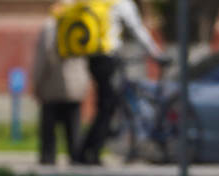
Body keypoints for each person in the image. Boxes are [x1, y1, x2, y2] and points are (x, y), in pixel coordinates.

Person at [70, 0, 165, 165]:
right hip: (108, 57)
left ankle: (85, 151)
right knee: (107, 107)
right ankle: (91, 152)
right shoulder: (120, 3)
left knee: (105, 106)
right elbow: (137, 29)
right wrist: (155, 52)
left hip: (93, 57)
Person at [32, 16, 89, 165]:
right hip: (76, 83)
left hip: (52, 83)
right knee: (73, 124)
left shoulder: (50, 26)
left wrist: (36, 82)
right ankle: (75, 156)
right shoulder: (82, 23)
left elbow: (43, 57)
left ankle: (48, 157)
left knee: (49, 126)